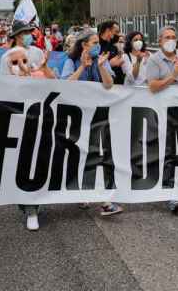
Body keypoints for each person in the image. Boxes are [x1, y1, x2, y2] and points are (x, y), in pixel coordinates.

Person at [60, 29, 121, 216]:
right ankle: (81, 192)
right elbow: (65, 85)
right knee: (79, 155)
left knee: (100, 154)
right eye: (94, 43)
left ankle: (105, 201)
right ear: (84, 45)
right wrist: (82, 68)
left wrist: (102, 67)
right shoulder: (71, 61)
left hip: (98, 115)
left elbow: (109, 84)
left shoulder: (100, 60)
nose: (98, 46)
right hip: (78, 116)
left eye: (98, 42)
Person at [0, 45, 56, 231]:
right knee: (20, 169)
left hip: (38, 130)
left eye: (24, 61)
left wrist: (34, 74)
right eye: (15, 63)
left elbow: (56, 83)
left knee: (38, 166)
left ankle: (33, 207)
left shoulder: (37, 75)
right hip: (14, 133)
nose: (21, 65)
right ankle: (29, 209)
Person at [145, 26, 178, 215]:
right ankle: (168, 191)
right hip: (164, 110)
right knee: (167, 150)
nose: (171, 40)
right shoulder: (154, 60)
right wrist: (172, 76)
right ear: (160, 41)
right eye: (167, 37)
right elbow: (152, 86)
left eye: (174, 37)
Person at [97, 20, 126, 85]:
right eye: (116, 32)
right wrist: (109, 64)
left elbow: (118, 60)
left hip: (117, 82)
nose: (117, 35)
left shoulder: (113, 44)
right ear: (108, 30)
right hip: (102, 83)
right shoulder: (96, 45)